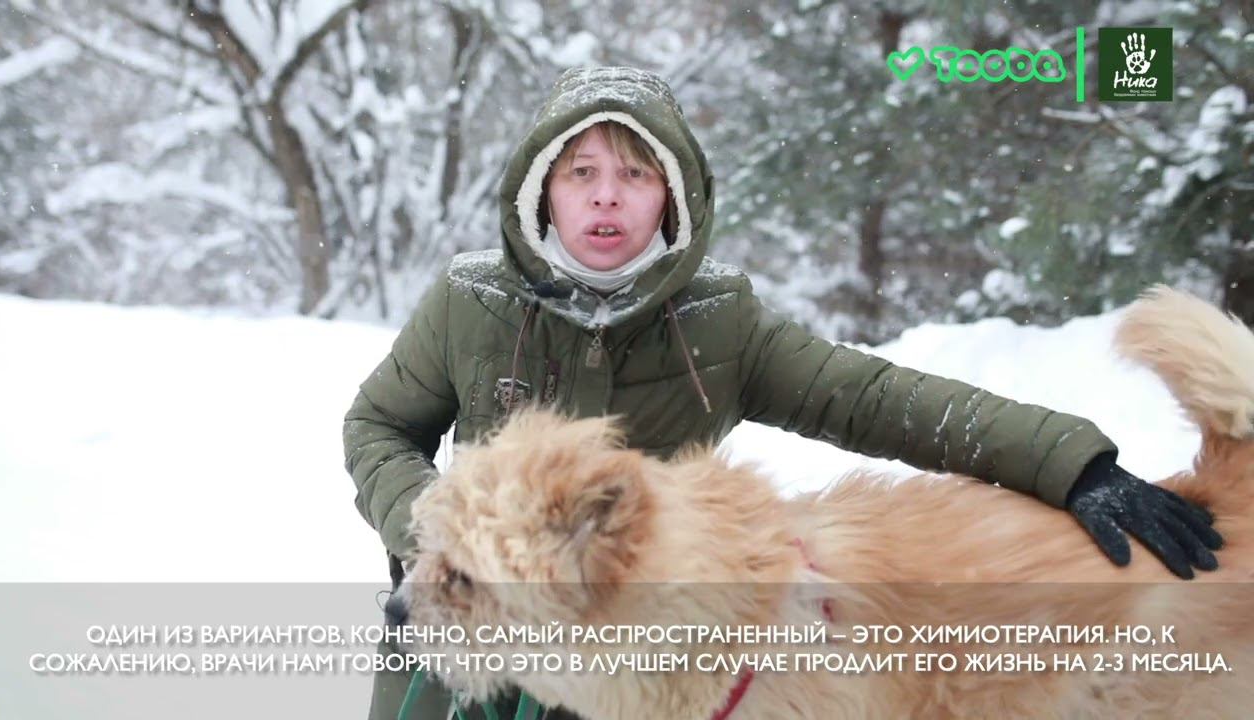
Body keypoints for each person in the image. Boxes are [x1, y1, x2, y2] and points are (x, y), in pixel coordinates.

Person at [341, 66, 1223, 719]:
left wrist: (1069, 464)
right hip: (465, 626)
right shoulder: (472, 300)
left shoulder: (716, 321)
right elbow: (378, 424)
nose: (606, 199)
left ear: (671, 198)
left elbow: (875, 398)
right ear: (543, 191)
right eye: (581, 174)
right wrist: (445, 540)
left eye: (635, 175)